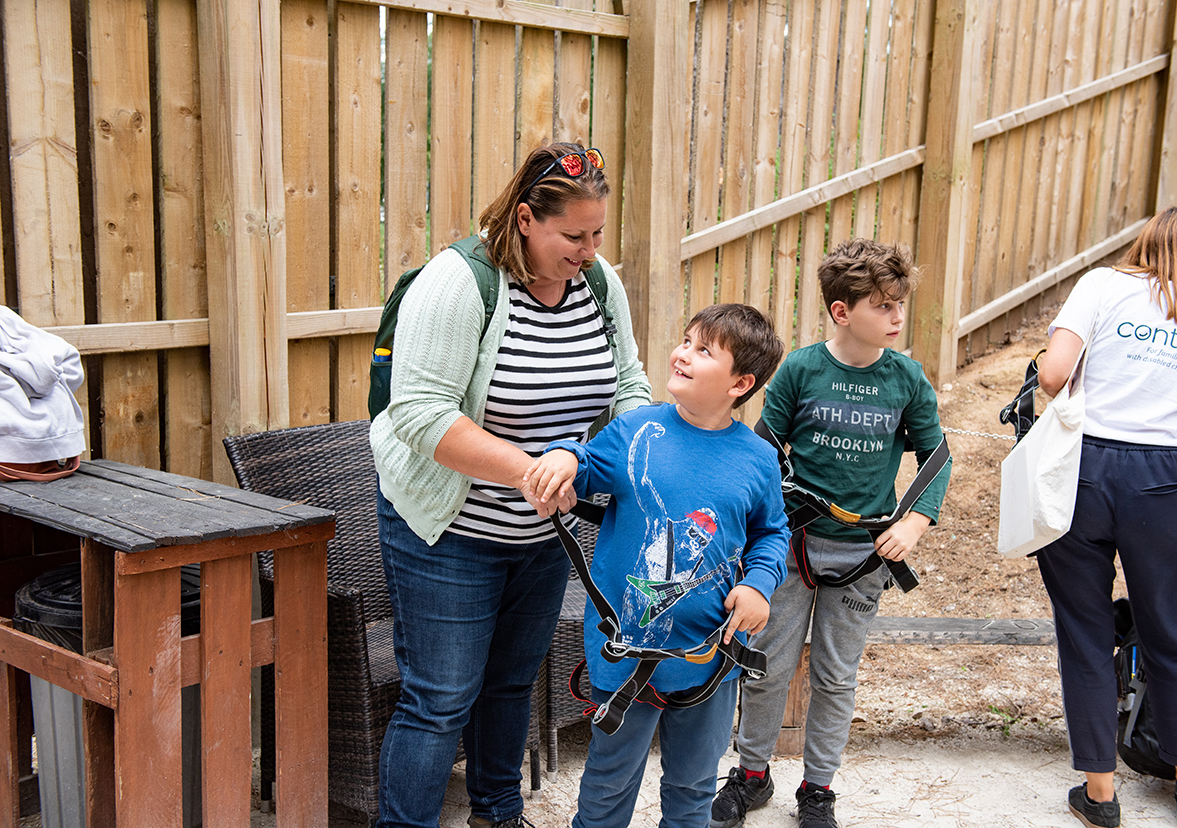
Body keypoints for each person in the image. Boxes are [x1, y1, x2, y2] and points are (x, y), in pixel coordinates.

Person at [369, 142, 652, 828]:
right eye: (573, 235)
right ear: (526, 219)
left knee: (509, 685)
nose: (589, 250)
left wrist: (642, 447)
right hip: (451, 528)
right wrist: (529, 469)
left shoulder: (599, 283)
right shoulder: (459, 282)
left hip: (543, 530)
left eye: (598, 234)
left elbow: (627, 385)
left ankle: (498, 814)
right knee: (440, 699)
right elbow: (419, 413)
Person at [711, 239, 951, 828]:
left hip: (863, 557)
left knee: (836, 677)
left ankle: (818, 789)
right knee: (765, 664)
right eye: (884, 306)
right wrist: (751, 528)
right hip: (791, 549)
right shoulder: (801, 369)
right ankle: (751, 775)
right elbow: (765, 450)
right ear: (842, 312)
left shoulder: (907, 380)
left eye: (900, 305)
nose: (897, 316)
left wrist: (916, 519)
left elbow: (937, 456)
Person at [524, 303, 791, 828]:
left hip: (709, 660)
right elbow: (585, 466)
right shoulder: (635, 429)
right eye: (686, 340)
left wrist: (760, 585)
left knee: (693, 789)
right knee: (608, 785)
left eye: (703, 350)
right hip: (626, 656)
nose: (683, 354)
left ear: (740, 383)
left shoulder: (757, 458)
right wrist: (563, 456)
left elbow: (770, 532)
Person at [1033, 207, 1177, 828]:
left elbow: (1054, 374)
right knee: (1168, 633)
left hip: (1084, 470)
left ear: (1144, 243)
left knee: (1086, 634)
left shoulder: (1101, 286)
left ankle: (1100, 795)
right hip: (1166, 480)